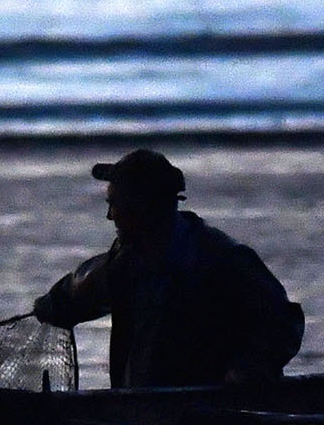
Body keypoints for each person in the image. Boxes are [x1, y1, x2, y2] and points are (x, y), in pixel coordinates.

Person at [32, 149, 303, 388]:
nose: (110, 216)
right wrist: (53, 305)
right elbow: (83, 290)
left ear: (144, 208)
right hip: (143, 411)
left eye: (116, 205)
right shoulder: (124, 264)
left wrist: (247, 370)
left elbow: (283, 322)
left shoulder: (221, 259)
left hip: (210, 416)